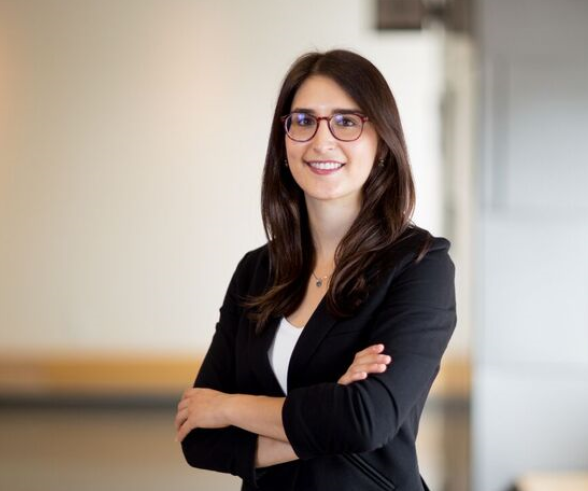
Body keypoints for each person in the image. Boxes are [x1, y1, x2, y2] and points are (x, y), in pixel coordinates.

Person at [174, 49, 457, 491]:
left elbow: (364, 421)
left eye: (347, 121)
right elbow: (199, 438)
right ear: (283, 141)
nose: (321, 141)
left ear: (381, 142)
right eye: (303, 121)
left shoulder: (419, 266)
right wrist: (327, 412)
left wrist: (230, 407)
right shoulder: (256, 272)